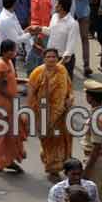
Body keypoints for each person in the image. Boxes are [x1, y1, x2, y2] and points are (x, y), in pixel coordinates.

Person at [27, 47, 73, 182]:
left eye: (54, 57)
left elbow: (69, 87)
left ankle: (61, 164)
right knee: (48, 141)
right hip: (44, 113)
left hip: (62, 112)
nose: (52, 59)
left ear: (58, 58)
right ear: (44, 58)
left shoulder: (62, 70)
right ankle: (51, 166)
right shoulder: (37, 73)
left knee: (61, 139)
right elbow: (31, 94)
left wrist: (70, 98)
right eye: (49, 57)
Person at [0, 39, 25, 174]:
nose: (15, 53)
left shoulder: (8, 62)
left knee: (9, 134)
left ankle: (7, 160)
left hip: (7, 103)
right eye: (13, 50)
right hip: (0, 102)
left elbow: (10, 81)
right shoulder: (1, 65)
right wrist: (11, 96)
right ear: (6, 51)